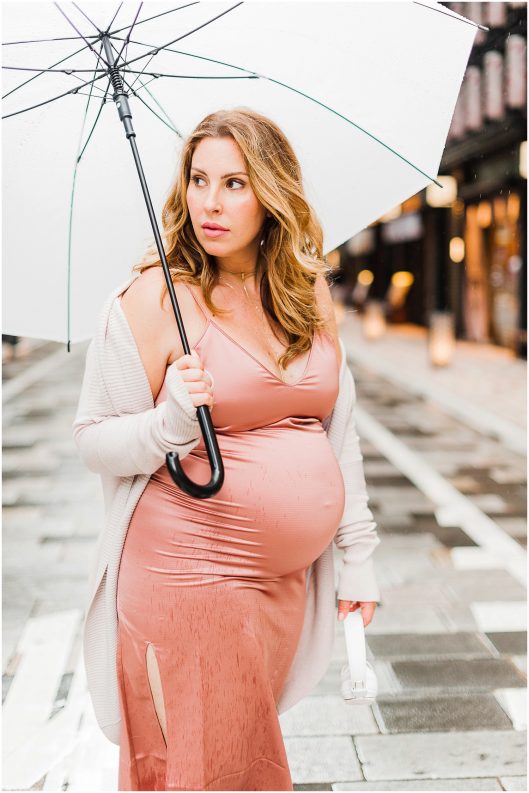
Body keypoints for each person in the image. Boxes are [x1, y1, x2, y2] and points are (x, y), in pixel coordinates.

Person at [73, 107, 381, 791]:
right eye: (198, 179)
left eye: (235, 183)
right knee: (224, 771)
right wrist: (171, 422)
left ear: (272, 193)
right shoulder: (152, 299)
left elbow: (339, 435)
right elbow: (93, 438)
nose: (209, 202)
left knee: (227, 760)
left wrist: (356, 561)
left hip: (277, 591)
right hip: (189, 578)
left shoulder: (304, 294)